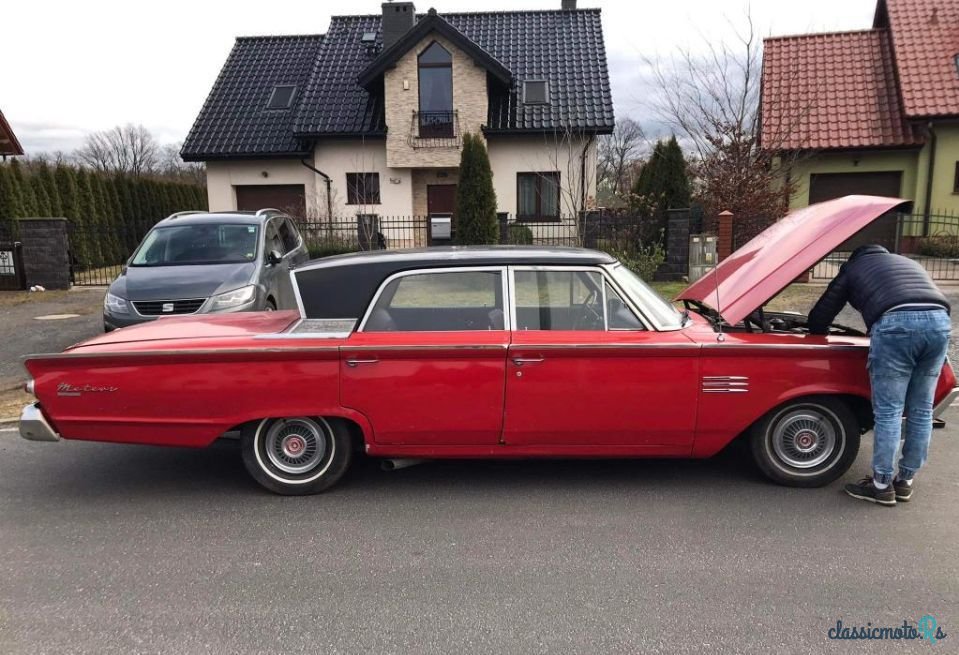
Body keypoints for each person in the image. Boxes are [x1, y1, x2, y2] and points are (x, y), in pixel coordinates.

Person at [807, 244, 951, 506]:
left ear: (855, 257)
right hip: (940, 323)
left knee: (889, 411)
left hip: (896, 325)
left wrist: (814, 332)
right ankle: (905, 481)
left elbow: (823, 311)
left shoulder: (853, 268)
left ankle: (881, 486)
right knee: (921, 410)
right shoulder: (904, 262)